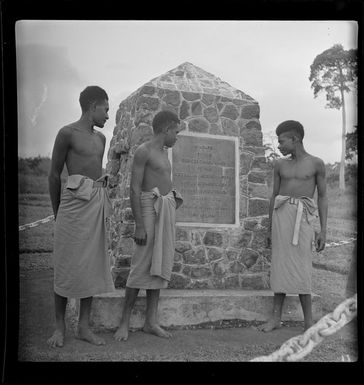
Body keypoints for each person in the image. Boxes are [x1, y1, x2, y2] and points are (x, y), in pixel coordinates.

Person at [47, 86, 115, 348]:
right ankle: (59, 328)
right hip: (72, 207)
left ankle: (84, 327)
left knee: (92, 265)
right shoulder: (66, 133)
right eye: (106, 109)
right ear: (92, 106)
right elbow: (53, 175)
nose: (108, 116)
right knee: (66, 265)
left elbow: (97, 173)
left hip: (95, 204)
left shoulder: (101, 139)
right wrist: (58, 213)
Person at [114, 110, 183, 341]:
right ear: (166, 129)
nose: (177, 136)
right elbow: (134, 188)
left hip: (164, 209)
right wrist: (140, 225)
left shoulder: (164, 153)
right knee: (140, 265)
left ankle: (151, 322)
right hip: (147, 208)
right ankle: (124, 322)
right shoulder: (144, 151)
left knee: (159, 263)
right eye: (176, 131)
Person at [258, 120, 328, 332]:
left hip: (304, 217)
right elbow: (274, 195)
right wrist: (270, 228)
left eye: (281, 141)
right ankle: (275, 319)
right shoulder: (280, 165)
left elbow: (323, 197)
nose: (278, 146)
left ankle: (308, 322)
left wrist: (323, 230)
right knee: (279, 266)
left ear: (295, 139)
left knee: (302, 268)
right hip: (281, 216)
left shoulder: (316, 163)